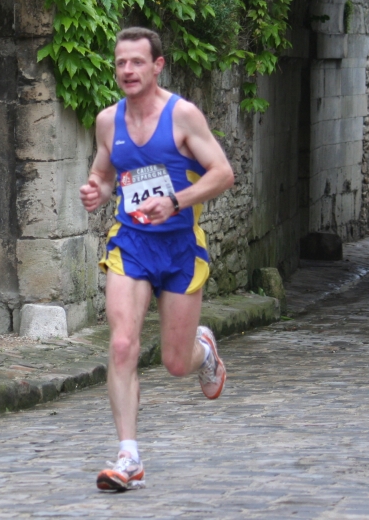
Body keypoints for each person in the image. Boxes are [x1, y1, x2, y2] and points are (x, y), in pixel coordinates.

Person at [79, 27, 236, 491]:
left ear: (157, 66)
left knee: (175, 362)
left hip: (180, 247)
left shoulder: (182, 115)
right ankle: (128, 456)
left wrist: (176, 201)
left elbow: (223, 173)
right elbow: (103, 173)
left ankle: (202, 349)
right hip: (131, 244)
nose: (127, 70)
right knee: (122, 345)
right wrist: (96, 190)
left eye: (137, 62)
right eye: (120, 62)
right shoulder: (108, 121)